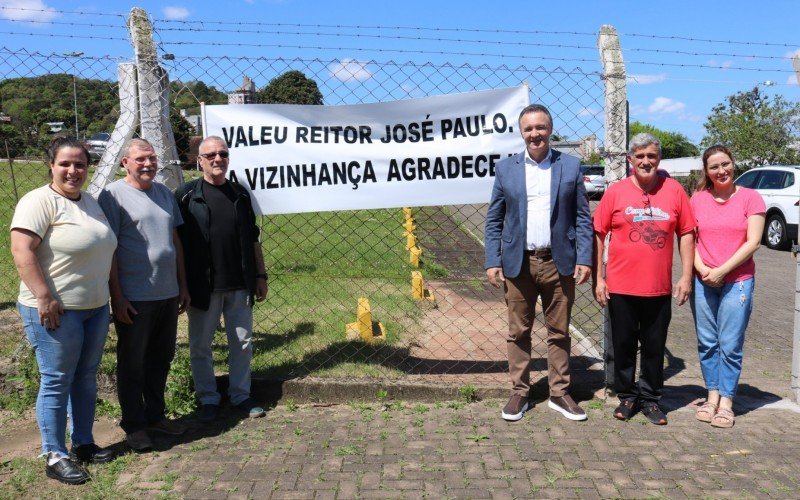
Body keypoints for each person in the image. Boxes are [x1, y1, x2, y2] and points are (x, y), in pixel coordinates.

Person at [11, 137, 118, 484]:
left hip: (94, 308)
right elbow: (22, 250)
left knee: (85, 377)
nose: (73, 171)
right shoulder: (38, 201)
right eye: (65, 164)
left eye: (80, 165)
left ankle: (83, 442)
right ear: (51, 166)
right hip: (56, 310)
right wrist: (43, 296)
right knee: (57, 379)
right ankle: (55, 454)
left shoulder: (89, 202)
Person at [485, 104, 593, 422]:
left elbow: (583, 219)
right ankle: (520, 392)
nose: (535, 134)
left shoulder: (570, 166)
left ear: (550, 129)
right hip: (518, 263)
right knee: (519, 331)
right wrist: (493, 259)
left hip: (559, 262)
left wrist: (585, 258)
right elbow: (494, 219)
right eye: (529, 128)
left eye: (541, 127)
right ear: (521, 132)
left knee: (559, 331)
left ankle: (559, 393)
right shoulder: (506, 170)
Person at [593, 133, 695, 425]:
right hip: (621, 285)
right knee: (623, 344)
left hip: (658, 288)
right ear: (630, 160)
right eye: (640, 156)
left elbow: (686, 233)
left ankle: (650, 399)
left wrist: (686, 276)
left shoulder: (674, 191)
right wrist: (599, 277)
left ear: (658, 158)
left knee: (654, 346)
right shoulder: (616, 192)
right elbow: (599, 233)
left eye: (651, 156)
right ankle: (626, 395)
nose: (646, 161)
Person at [98, 138, 190, 451]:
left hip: (167, 292)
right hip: (135, 296)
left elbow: (175, 241)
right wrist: (117, 296)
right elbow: (108, 248)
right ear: (125, 162)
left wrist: (183, 285)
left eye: (152, 158)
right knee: (132, 362)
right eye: (141, 159)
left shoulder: (164, 193)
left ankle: (155, 416)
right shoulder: (113, 195)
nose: (148, 164)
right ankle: (134, 425)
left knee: (161, 358)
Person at [175, 136, 268, 422]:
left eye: (223, 154)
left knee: (242, 342)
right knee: (201, 345)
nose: (218, 159)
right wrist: (182, 284)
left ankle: (240, 395)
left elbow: (253, 238)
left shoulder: (240, 194)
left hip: (239, 283)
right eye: (211, 155)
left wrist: (260, 274)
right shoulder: (185, 195)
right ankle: (209, 399)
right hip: (203, 286)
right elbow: (176, 243)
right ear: (199, 160)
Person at [690, 145, 765, 428]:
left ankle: (727, 401)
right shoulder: (697, 199)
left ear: (733, 164)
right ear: (706, 172)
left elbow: (753, 241)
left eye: (726, 164)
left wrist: (721, 270)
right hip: (704, 279)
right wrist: (701, 269)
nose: (721, 171)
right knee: (707, 342)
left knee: (730, 344)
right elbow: (688, 239)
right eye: (714, 167)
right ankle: (711, 397)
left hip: (738, 281)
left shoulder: (750, 198)